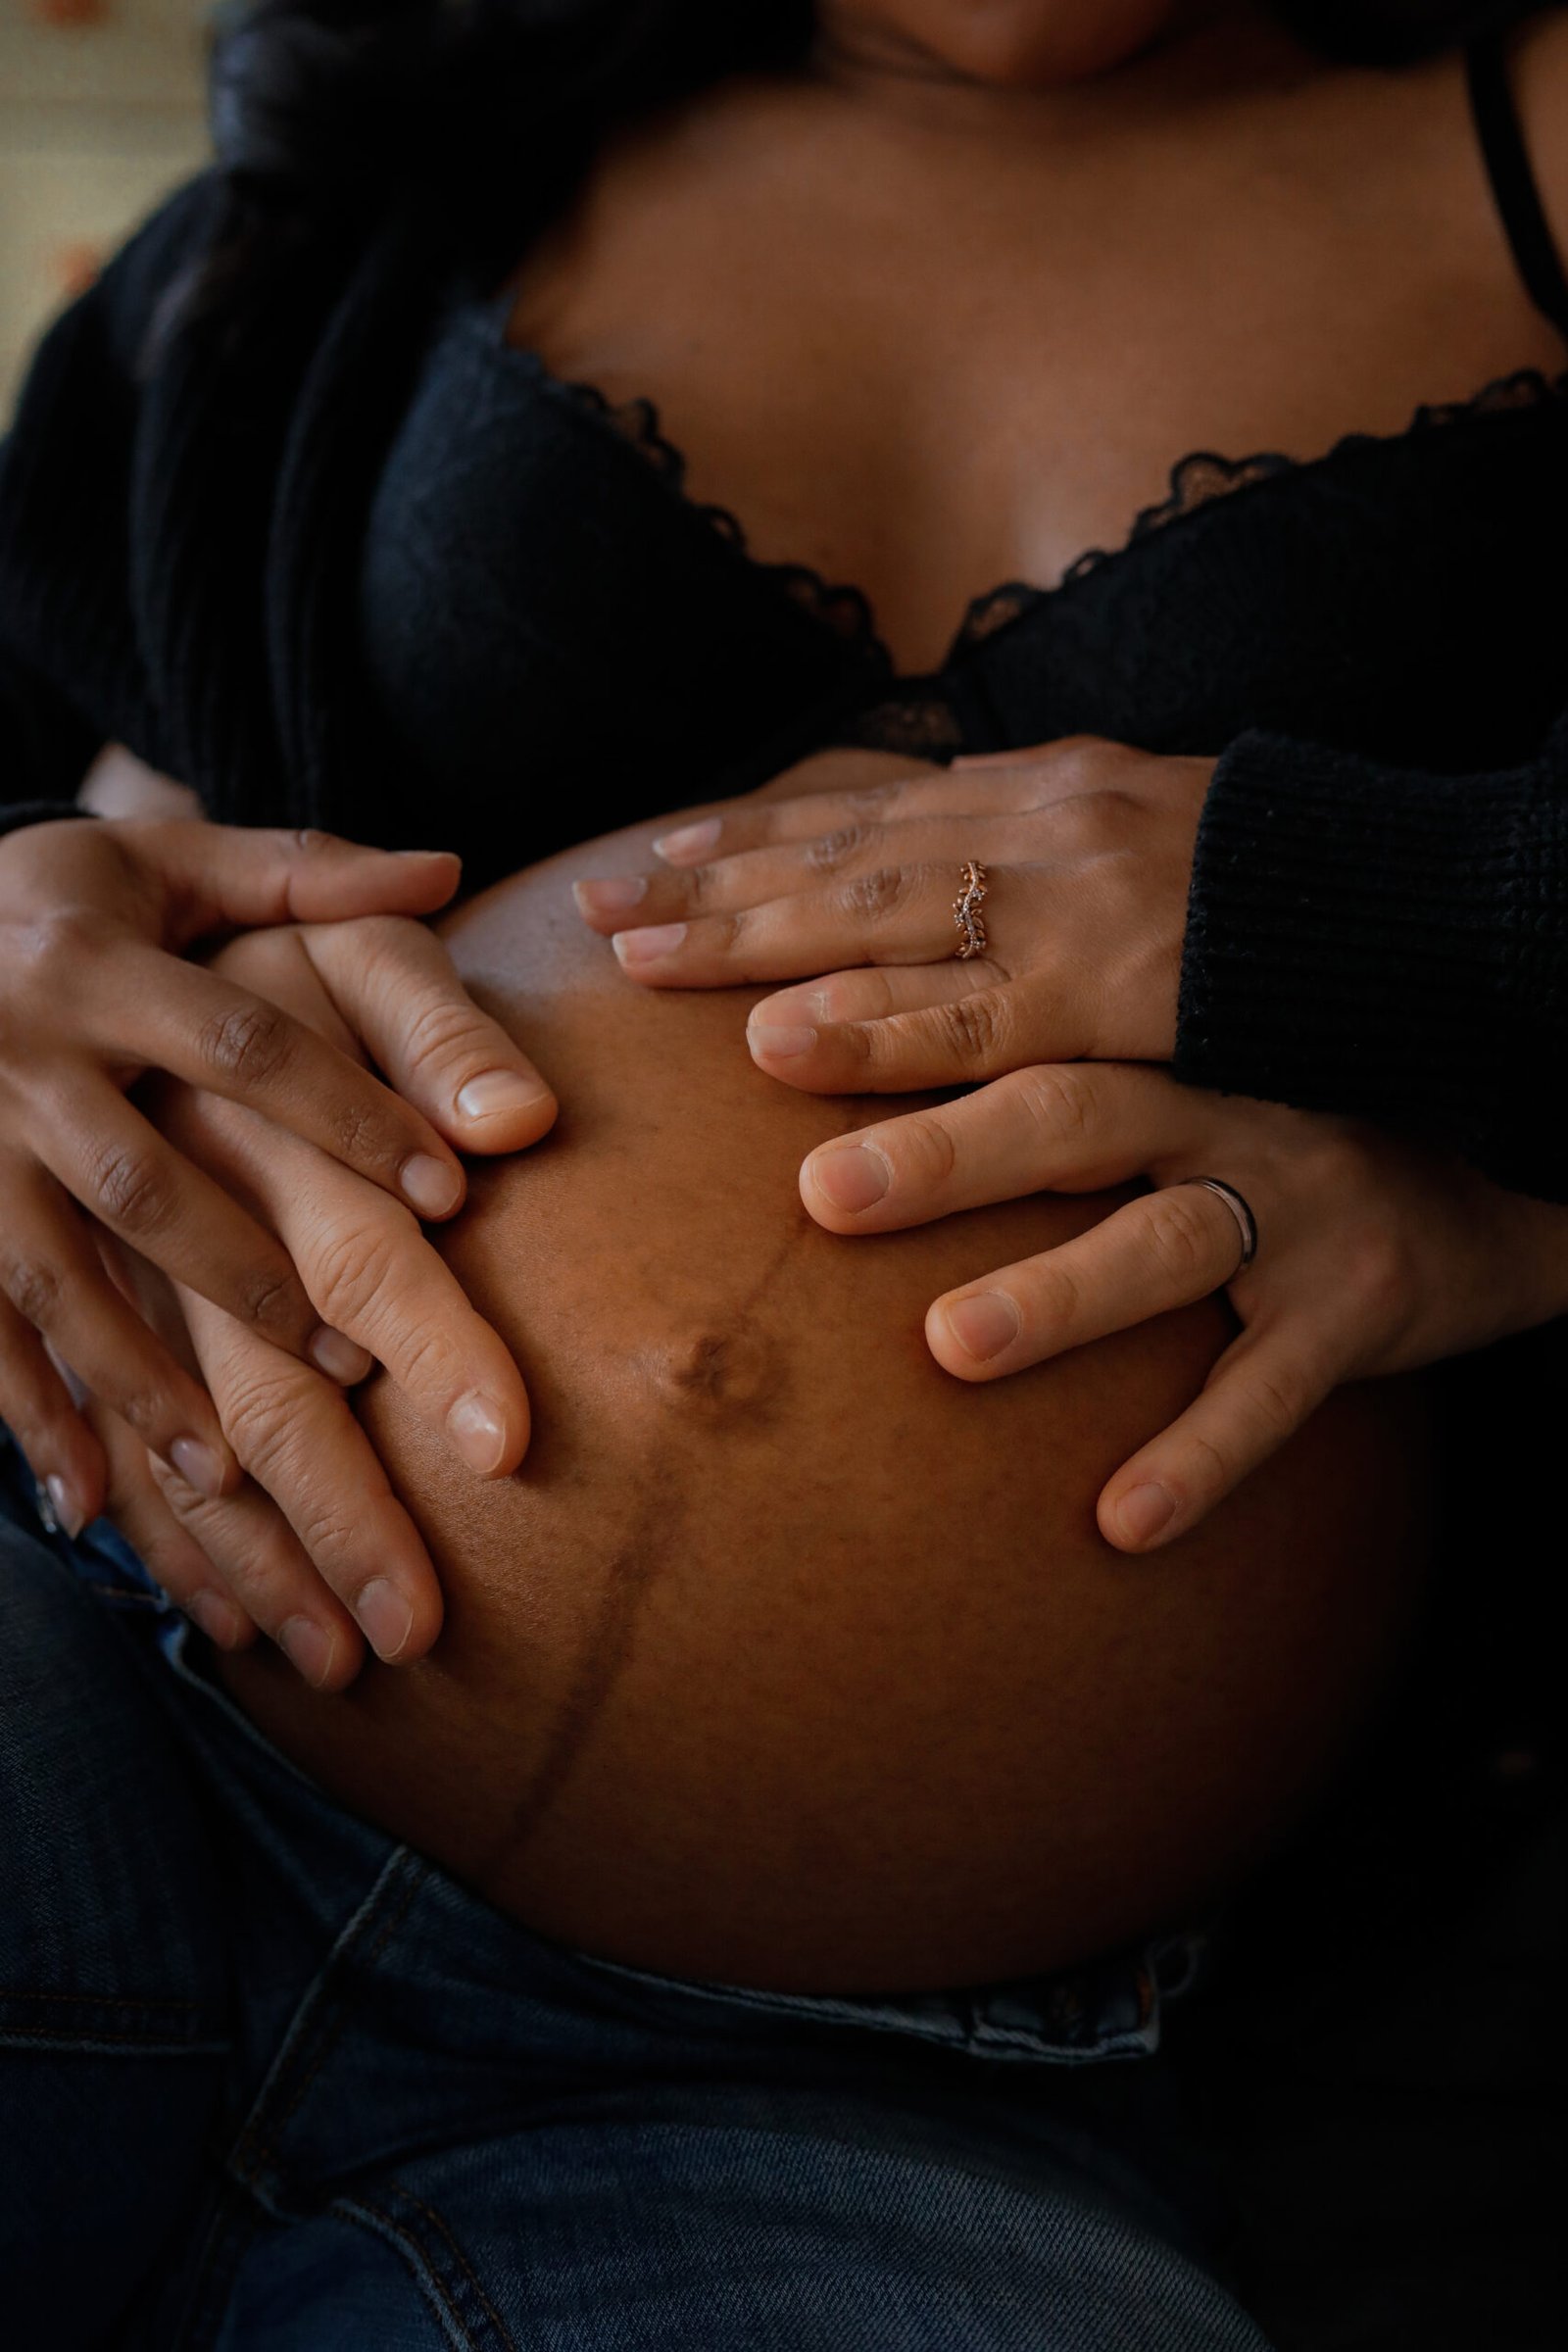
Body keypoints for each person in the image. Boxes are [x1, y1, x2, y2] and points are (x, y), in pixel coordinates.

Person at [0, 0, 1563, 2341]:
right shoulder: (418, 121)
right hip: (108, 1662)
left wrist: (1430, 1006)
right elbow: (67, 751)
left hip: (918, 2084)